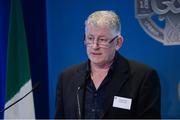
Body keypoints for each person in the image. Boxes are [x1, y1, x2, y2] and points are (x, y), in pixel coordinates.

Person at [55, 10, 161, 119]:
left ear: (118, 42)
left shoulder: (143, 77)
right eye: (90, 38)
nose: (95, 46)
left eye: (102, 40)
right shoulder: (66, 78)